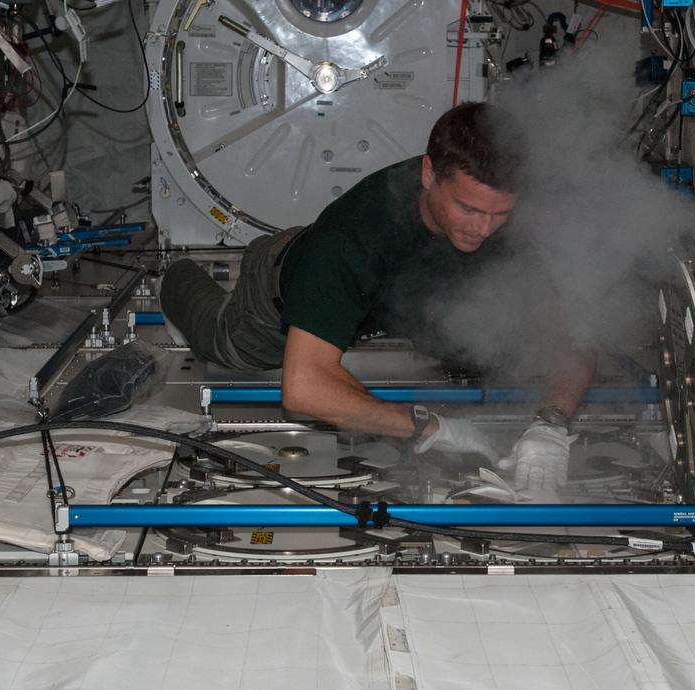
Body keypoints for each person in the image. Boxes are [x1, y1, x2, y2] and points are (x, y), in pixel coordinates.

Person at [160, 102, 595, 494]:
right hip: (283, 291)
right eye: (469, 210)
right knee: (226, 344)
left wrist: (551, 424)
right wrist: (429, 428)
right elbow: (305, 390)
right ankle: (174, 277)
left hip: (409, 300)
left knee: (496, 341)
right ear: (429, 174)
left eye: (498, 214)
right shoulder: (353, 236)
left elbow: (575, 332)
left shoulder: (508, 218)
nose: (483, 228)